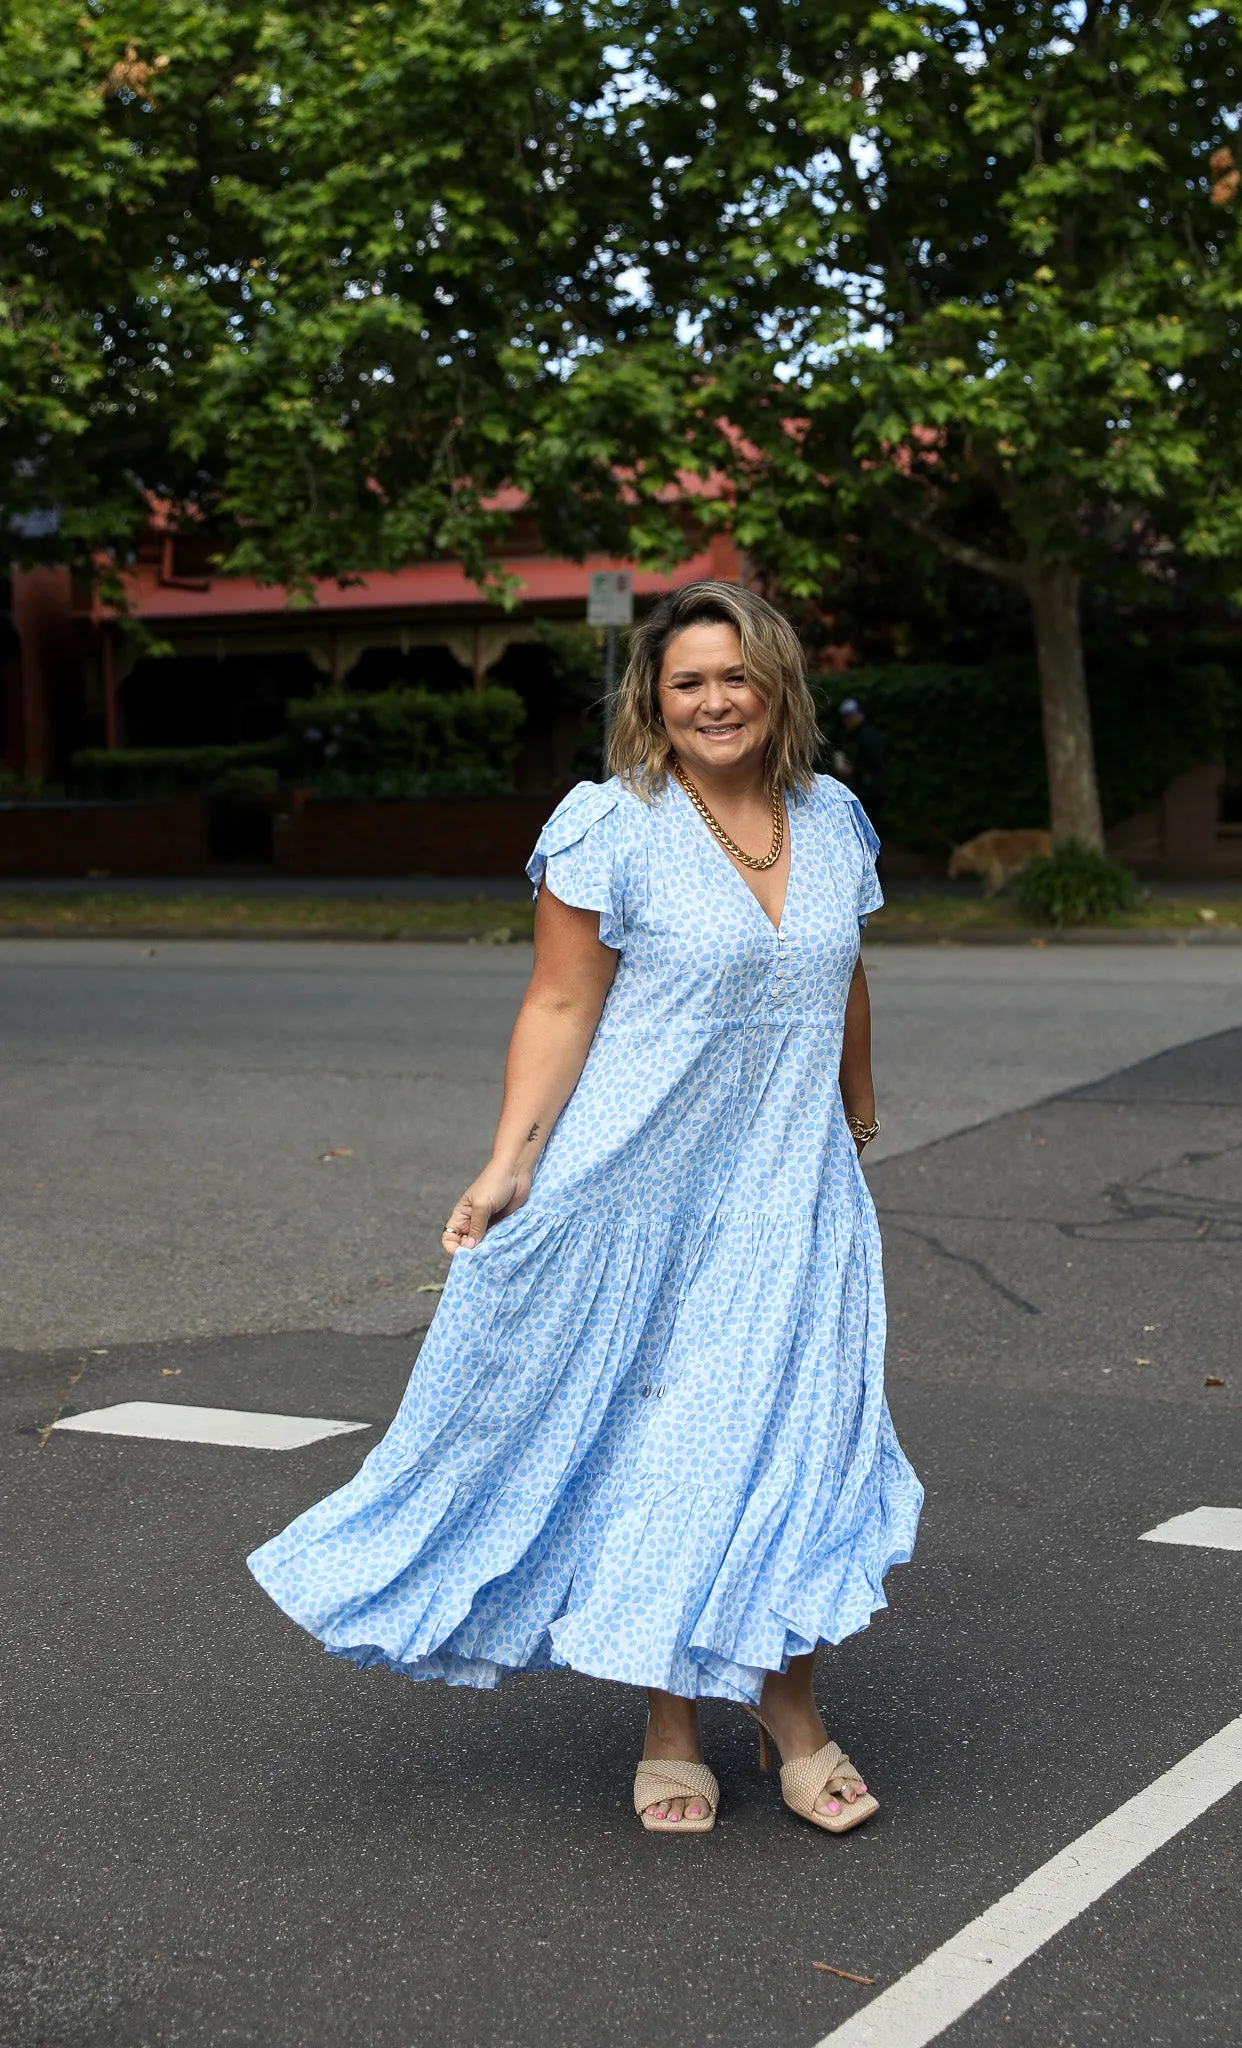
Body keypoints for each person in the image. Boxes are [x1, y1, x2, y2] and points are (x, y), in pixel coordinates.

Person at [248, 581, 923, 1837]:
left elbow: (844, 974)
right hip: (640, 1182)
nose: (714, 700)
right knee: (673, 1446)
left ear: (775, 687)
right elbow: (560, 1005)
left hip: (793, 1181)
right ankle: (681, 1718)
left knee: (795, 1437)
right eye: (687, 682)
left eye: (736, 676)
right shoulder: (611, 824)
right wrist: (509, 1160)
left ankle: (787, 1699)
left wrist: (861, 1115)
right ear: (652, 702)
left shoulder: (832, 817)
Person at [837, 696, 886, 823]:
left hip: (869, 790)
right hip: (859, 788)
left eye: (851, 716)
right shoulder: (851, 736)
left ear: (859, 715)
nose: (847, 720)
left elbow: (874, 761)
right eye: (845, 716)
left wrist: (852, 770)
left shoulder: (867, 735)